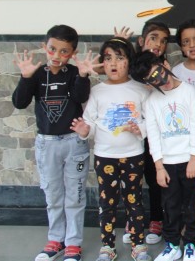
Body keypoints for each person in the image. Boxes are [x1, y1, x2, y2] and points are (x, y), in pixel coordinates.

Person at [12, 25, 99, 261]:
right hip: (47, 144)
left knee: (75, 195)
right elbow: (19, 102)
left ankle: (73, 243)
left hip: (74, 144)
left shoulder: (75, 72)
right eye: (52, 49)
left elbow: (81, 97)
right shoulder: (36, 73)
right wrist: (25, 77)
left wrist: (83, 76)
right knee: (53, 195)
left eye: (64, 51)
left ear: (72, 53)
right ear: (44, 47)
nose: (57, 55)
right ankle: (55, 240)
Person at [70, 38, 152, 261]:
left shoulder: (140, 90)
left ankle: (138, 244)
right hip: (105, 156)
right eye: (108, 58)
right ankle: (107, 247)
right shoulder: (97, 91)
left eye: (120, 57)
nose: (113, 63)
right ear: (102, 63)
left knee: (134, 201)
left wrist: (140, 129)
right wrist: (84, 130)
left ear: (129, 61)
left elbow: (151, 121)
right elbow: (90, 122)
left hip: (133, 155)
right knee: (107, 203)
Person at [131, 51, 195, 261]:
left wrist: (194, 158)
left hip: (189, 160)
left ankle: (190, 244)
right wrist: (159, 167)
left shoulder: (189, 92)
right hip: (167, 163)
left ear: (165, 64)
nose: (162, 81)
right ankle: (172, 245)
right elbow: (152, 135)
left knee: (192, 205)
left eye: (159, 73)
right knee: (170, 206)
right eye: (152, 80)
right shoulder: (152, 101)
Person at [125, 21, 171, 246]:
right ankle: (133, 221)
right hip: (130, 134)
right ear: (142, 40)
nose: (158, 44)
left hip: (156, 135)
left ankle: (156, 219)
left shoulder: (164, 69)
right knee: (131, 180)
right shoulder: (129, 67)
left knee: (155, 179)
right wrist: (122, 44)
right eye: (153, 38)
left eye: (163, 41)